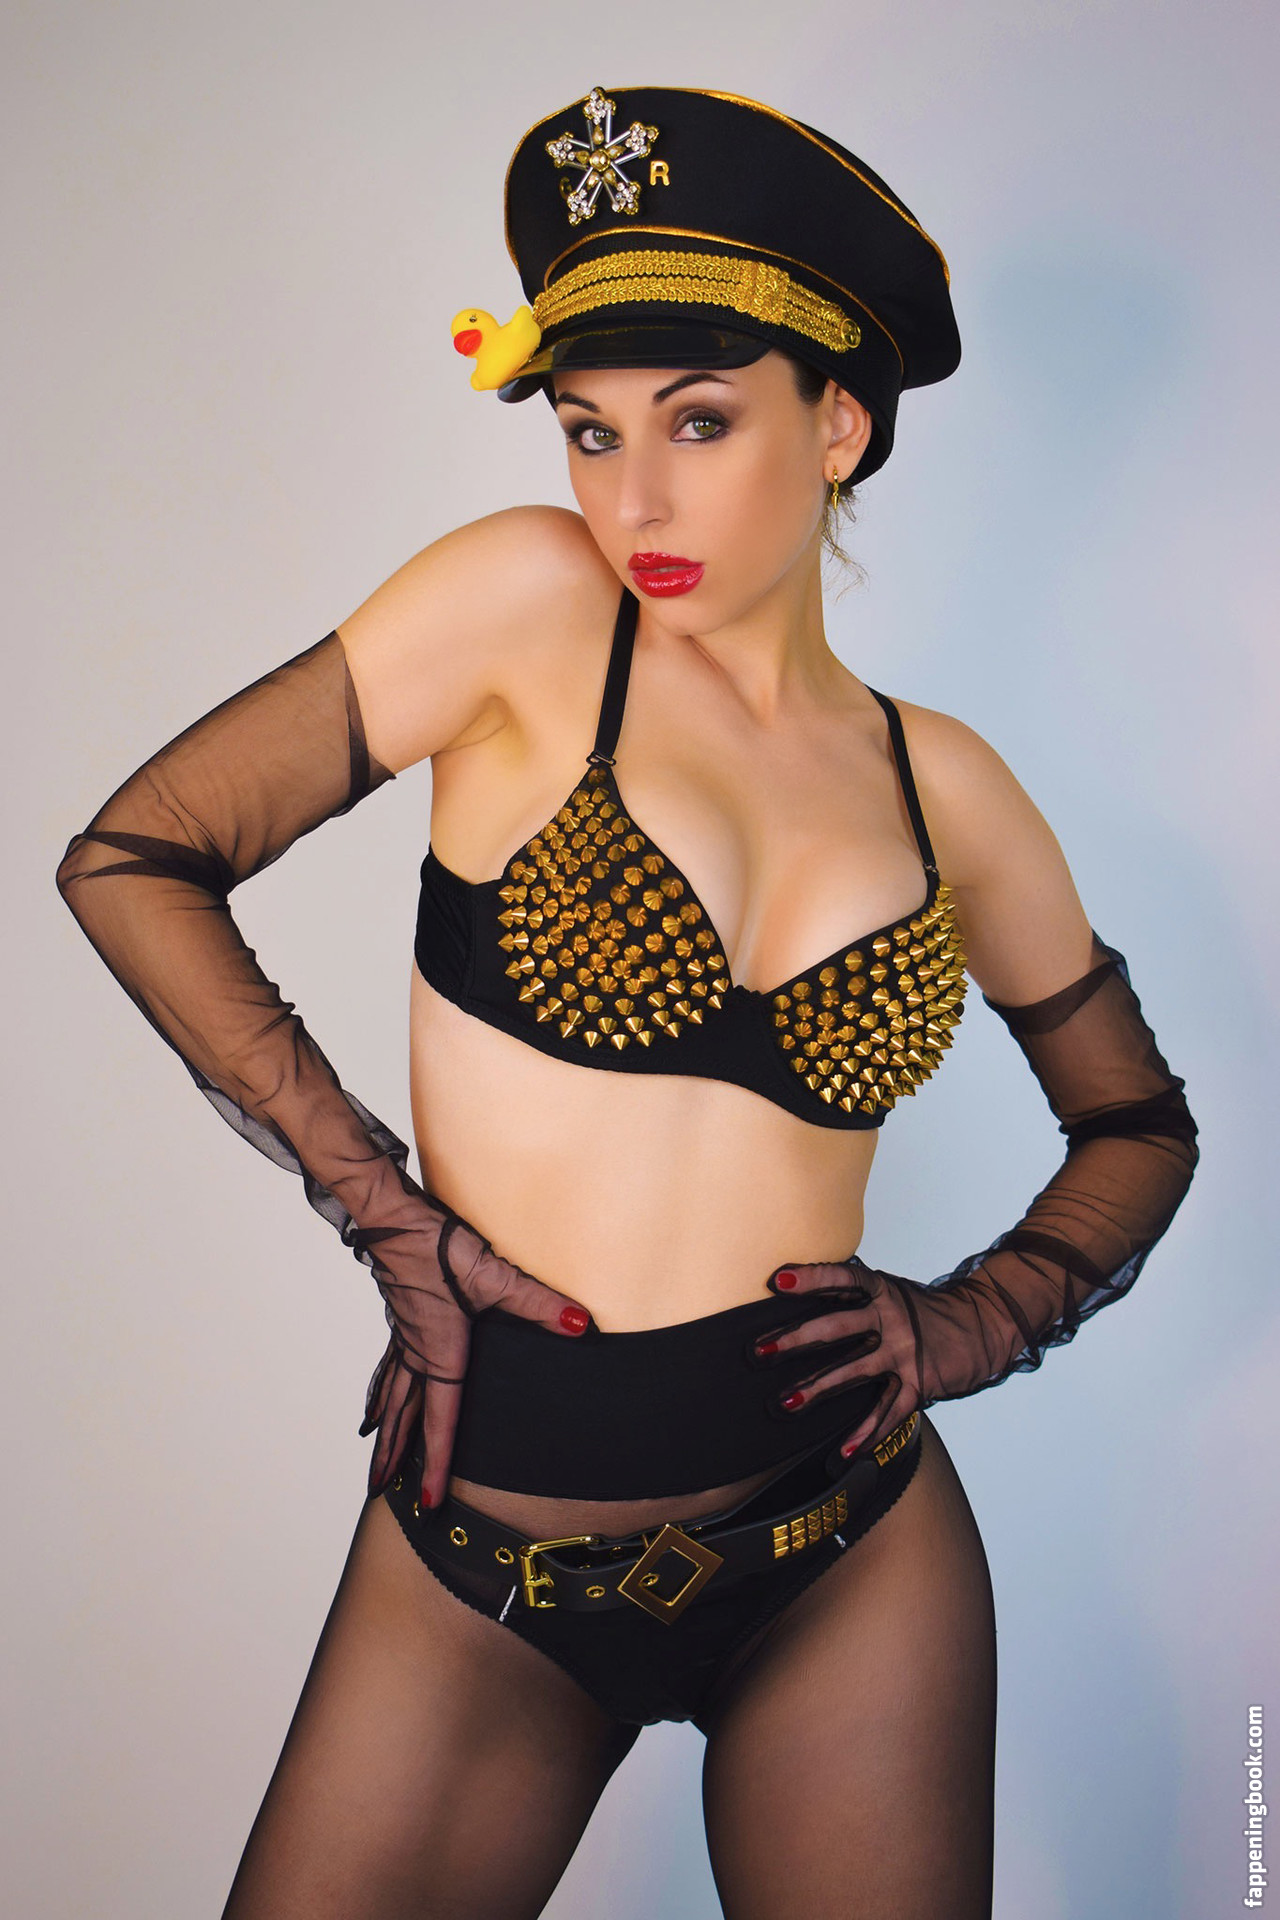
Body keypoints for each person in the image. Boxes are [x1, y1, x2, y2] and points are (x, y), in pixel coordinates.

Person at [55, 84, 1199, 1920]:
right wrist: (384, 1212)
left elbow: (1137, 1126)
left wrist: (975, 1320)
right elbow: (138, 857)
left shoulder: (949, 789)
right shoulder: (527, 611)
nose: (632, 496)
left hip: (852, 1558)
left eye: (700, 420)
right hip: (485, 1578)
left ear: (838, 423)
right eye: (592, 430)